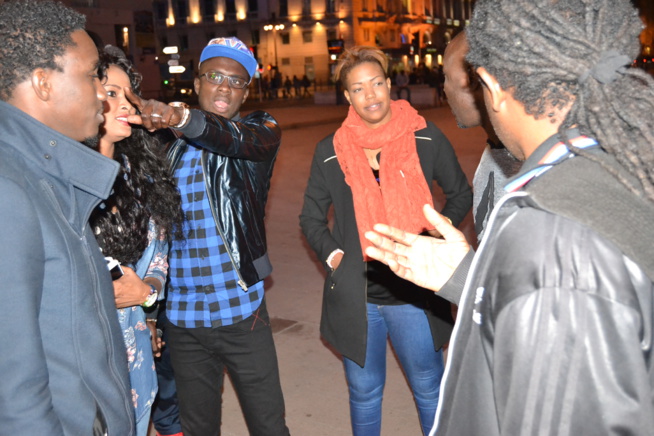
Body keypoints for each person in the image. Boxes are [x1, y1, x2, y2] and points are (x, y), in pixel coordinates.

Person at [365, 0, 654, 434]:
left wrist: (525, 268)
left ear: (492, 86)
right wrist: (474, 277)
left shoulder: (552, 236)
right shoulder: (615, 165)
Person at [299, 46, 472, 436]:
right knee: (363, 393)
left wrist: (430, 238)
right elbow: (310, 217)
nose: (371, 95)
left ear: (390, 84)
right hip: (358, 298)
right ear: (347, 96)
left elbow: (461, 193)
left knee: (430, 390)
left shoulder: (424, 136)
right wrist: (335, 257)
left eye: (377, 83)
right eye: (358, 88)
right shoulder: (331, 150)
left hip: (414, 292)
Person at [125, 36, 289, 436]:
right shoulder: (167, 150)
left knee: (269, 426)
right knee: (198, 428)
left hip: (242, 311)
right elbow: (150, 237)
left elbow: (230, 137)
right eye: (214, 76)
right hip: (184, 321)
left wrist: (180, 118)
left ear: (246, 90)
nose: (224, 87)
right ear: (197, 83)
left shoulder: (258, 132)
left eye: (236, 81)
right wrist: (149, 312)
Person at [0, 1, 134, 434]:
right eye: (92, 74)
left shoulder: (44, 172)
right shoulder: (8, 190)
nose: (102, 92)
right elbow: (13, 387)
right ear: (42, 82)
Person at [86, 47, 184, 436]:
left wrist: (147, 300)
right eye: (111, 93)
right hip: (89, 358)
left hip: (136, 352)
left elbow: (158, 257)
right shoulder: (62, 181)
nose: (124, 104)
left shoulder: (138, 177)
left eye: (128, 94)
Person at [442, 31, 521, 242]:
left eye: (447, 77)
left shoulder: (527, 164)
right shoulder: (492, 154)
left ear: (475, 81)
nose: (444, 90)